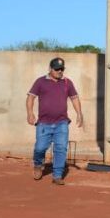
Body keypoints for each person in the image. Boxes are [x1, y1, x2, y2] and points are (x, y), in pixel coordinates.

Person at [26, 57, 84, 185]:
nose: (60, 71)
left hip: (61, 123)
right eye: (57, 69)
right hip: (44, 123)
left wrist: (79, 113)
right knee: (40, 148)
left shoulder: (67, 83)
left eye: (62, 69)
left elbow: (74, 98)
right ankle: (38, 164)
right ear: (50, 69)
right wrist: (30, 113)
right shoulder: (40, 82)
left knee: (61, 148)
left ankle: (57, 175)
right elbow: (30, 97)